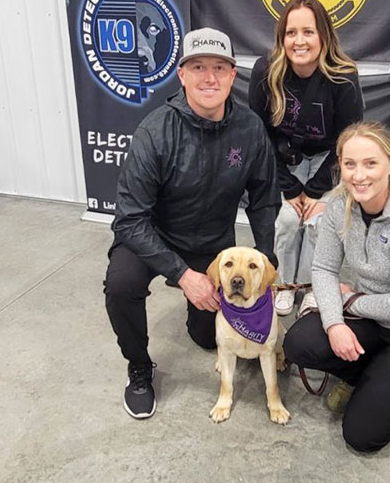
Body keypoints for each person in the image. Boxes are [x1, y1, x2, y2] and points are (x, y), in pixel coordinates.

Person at [104, 28, 280, 419]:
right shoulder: (155, 132)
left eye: (220, 67)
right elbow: (129, 220)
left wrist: (265, 263)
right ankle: (138, 368)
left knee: (206, 339)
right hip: (151, 239)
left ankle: (195, 314)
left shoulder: (250, 129)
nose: (209, 77)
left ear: (233, 75)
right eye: (198, 67)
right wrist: (185, 276)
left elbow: (265, 198)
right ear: (181, 75)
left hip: (210, 244)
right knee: (121, 285)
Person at [283, 121, 390, 453]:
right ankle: (366, 372)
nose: (359, 175)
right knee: (298, 343)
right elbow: (324, 268)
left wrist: (349, 302)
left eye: (370, 163)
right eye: (350, 164)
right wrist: (334, 325)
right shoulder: (338, 207)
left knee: (362, 436)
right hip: (372, 319)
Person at [248, 0, 363, 316]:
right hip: (283, 162)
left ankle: (315, 286)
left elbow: (348, 142)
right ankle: (285, 285)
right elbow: (260, 137)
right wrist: (290, 188)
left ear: (323, 35)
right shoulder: (265, 71)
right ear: (281, 38)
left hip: (329, 161)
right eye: (291, 32)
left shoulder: (343, 75)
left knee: (318, 221)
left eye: (308, 32)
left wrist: (314, 191)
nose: (299, 41)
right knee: (286, 220)